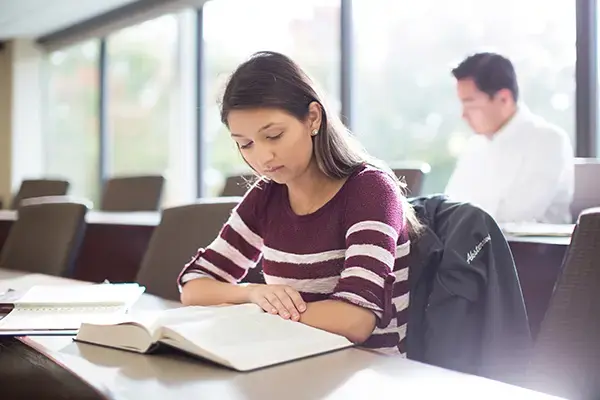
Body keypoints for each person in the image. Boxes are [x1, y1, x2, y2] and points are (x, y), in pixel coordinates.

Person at [178, 51, 422, 355]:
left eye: (274, 136)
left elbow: (355, 319)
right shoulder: (266, 196)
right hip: (288, 360)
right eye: (245, 144)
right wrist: (253, 293)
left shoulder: (370, 190)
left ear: (313, 118)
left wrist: (258, 314)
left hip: (365, 374)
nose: (262, 157)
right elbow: (194, 286)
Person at [445, 52, 574, 224]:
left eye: (470, 103)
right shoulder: (475, 146)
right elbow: (448, 208)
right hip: (473, 247)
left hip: (533, 249)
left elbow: (514, 217)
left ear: (504, 98)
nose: (463, 115)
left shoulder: (548, 141)